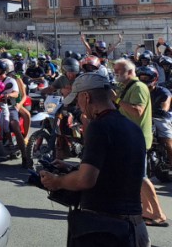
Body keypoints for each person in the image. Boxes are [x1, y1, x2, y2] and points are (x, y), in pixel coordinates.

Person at [40, 73, 149, 247]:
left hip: (107, 229)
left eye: (78, 101)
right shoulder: (132, 127)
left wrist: (57, 181)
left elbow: (86, 180)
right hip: (135, 227)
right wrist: (71, 168)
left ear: (86, 96)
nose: (79, 107)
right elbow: (116, 169)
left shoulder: (99, 126)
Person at [113, 58, 168, 227]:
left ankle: (159, 214)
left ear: (130, 72)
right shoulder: (127, 87)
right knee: (134, 177)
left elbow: (137, 111)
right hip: (129, 137)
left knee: (141, 177)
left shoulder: (138, 87)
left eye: (119, 71)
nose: (116, 74)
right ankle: (147, 211)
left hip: (136, 139)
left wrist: (116, 100)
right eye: (114, 70)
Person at [0, 58, 31, 167]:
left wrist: (9, 95)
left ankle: (25, 156)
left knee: (15, 126)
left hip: (10, 107)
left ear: (0, 70)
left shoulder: (11, 81)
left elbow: (17, 93)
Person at [139, 65, 172, 177]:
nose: (144, 80)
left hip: (161, 117)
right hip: (143, 117)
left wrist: (163, 110)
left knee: (167, 140)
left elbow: (166, 103)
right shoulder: (138, 90)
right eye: (141, 78)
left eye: (146, 78)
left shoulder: (163, 91)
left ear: (154, 78)